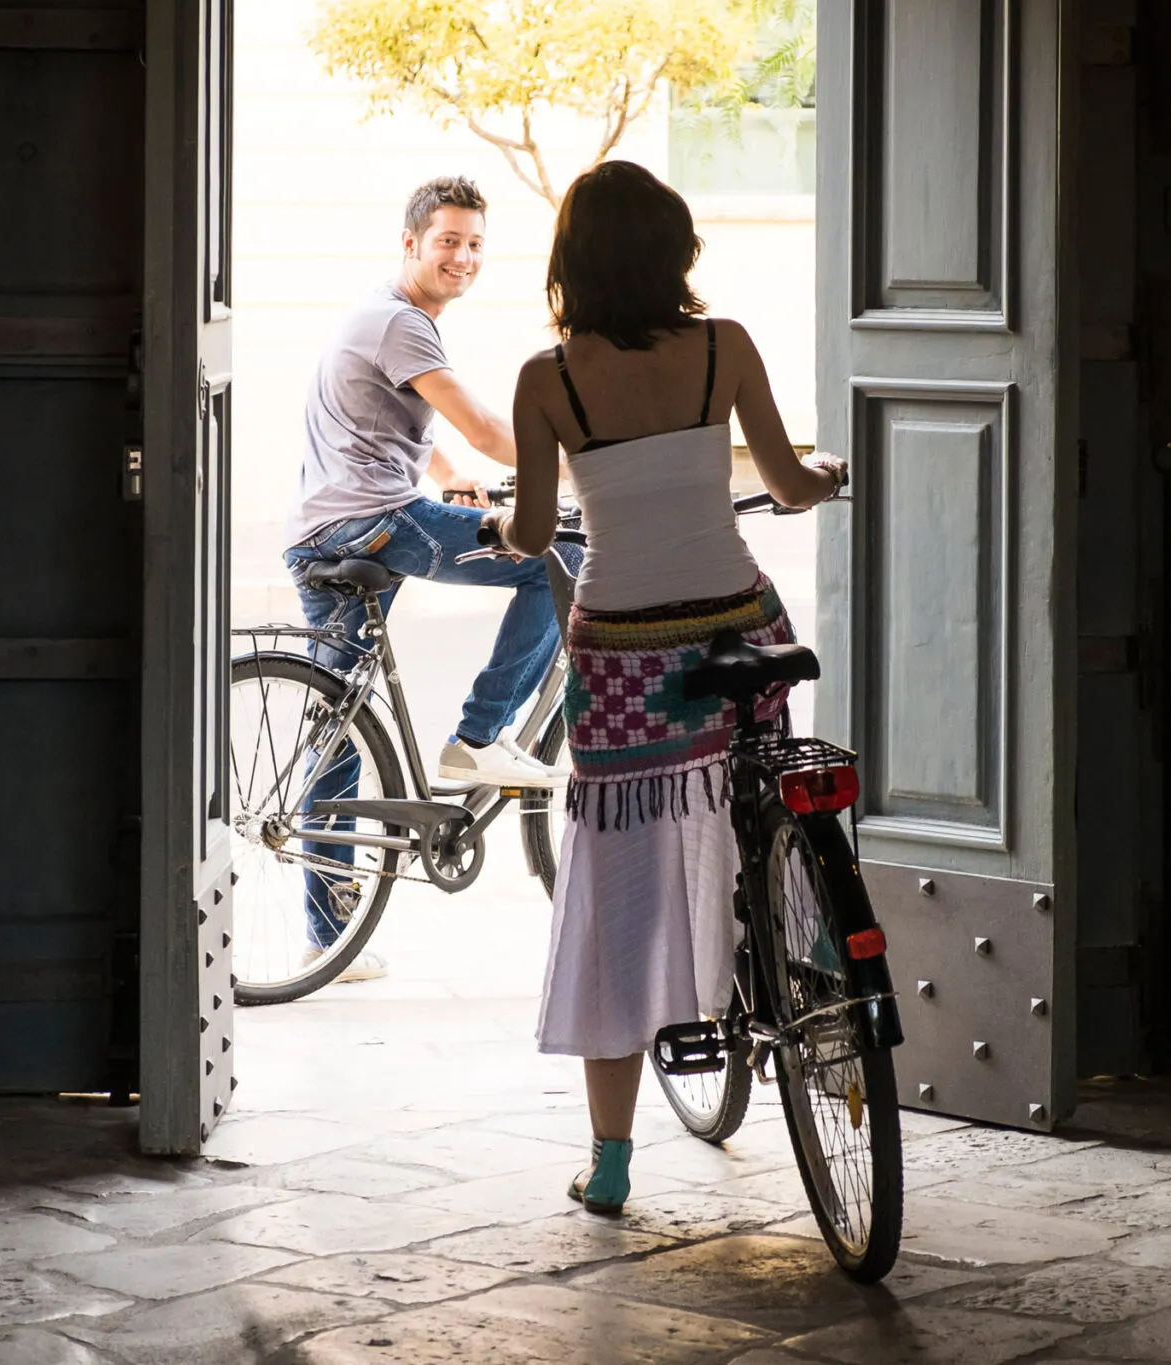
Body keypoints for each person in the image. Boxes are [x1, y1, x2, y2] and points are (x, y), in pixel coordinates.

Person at [483, 161, 846, 1213]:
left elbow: (533, 528)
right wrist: (822, 477)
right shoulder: (723, 348)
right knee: (763, 802)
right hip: (737, 623)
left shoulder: (546, 379)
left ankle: (608, 1161)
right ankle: (807, 994)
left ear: (573, 264)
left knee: (620, 882)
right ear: (676, 250)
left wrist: (498, 527)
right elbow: (781, 486)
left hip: (624, 655)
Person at [282, 175, 584, 983]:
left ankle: (328, 938)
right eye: (448, 240)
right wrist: (586, 463)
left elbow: (408, 425)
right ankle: (478, 740)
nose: (464, 256)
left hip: (322, 530)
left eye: (477, 243)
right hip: (373, 520)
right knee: (558, 555)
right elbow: (488, 427)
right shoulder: (403, 322)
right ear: (410, 242)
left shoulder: (380, 314)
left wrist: (451, 476)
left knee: (341, 725)